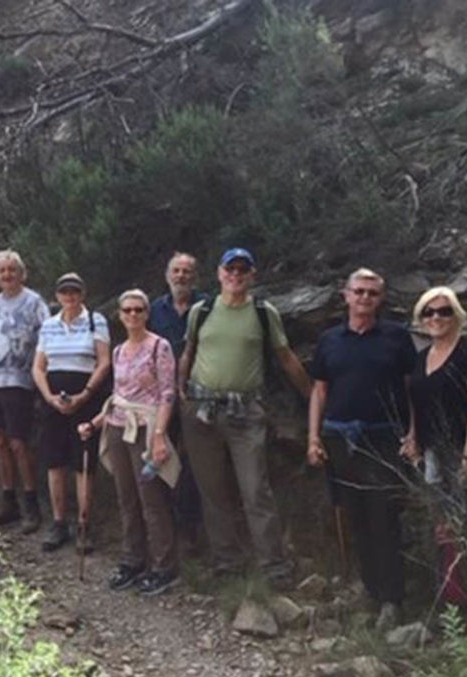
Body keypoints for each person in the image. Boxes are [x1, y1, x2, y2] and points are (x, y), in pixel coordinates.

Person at [178, 247, 311, 585]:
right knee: (213, 489)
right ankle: (227, 562)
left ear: (252, 275)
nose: (236, 275)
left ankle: (273, 565)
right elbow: (189, 351)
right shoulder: (201, 310)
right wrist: (180, 390)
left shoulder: (264, 313)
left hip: (246, 411)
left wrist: (314, 397)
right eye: (230, 269)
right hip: (201, 410)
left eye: (242, 270)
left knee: (255, 489)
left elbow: (285, 357)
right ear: (220, 273)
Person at [307, 268, 417, 631]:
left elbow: (412, 389)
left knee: (384, 516)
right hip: (339, 439)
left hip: (384, 438)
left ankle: (392, 599)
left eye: (372, 292)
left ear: (380, 298)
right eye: (359, 291)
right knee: (354, 515)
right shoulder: (329, 341)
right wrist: (313, 438)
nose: (365, 298)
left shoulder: (397, 339)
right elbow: (319, 391)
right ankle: (368, 588)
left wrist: (414, 434)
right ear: (346, 295)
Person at [80, 289, 181, 595]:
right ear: (121, 315)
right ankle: (132, 559)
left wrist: (160, 436)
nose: (133, 315)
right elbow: (118, 396)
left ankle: (164, 565)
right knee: (127, 497)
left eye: (139, 310)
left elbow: (167, 394)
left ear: (146, 313)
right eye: (128, 311)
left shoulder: (159, 347)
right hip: (117, 426)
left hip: (146, 430)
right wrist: (95, 423)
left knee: (151, 497)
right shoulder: (118, 350)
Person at [406, 286, 467, 608]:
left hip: (465, 452)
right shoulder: (420, 359)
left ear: (457, 314)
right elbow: (415, 403)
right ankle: (451, 604)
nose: (436, 318)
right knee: (443, 530)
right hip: (433, 455)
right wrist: (413, 438)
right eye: (429, 312)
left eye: (444, 311)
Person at [32, 273, 111, 552]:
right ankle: (58, 523)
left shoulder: (95, 321)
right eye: (64, 292)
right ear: (57, 295)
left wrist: (86, 394)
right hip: (54, 399)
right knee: (55, 461)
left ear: (83, 294)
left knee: (83, 463)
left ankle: (84, 526)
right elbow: (38, 366)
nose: (69, 297)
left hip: (85, 398)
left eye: (74, 291)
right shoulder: (49, 325)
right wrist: (49, 397)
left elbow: (103, 362)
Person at [0, 249, 50, 532]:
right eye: (2, 271)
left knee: (19, 443)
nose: (7, 275)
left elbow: (47, 338)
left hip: (19, 382)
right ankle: (8, 500)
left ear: (22, 273)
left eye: (12, 270)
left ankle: (31, 504)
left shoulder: (34, 302)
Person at [147, 252, 208, 548]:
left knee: (196, 461)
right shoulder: (154, 310)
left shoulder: (208, 306)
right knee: (161, 457)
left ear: (195, 276)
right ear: (167, 275)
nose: (181, 276)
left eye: (187, 271)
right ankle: (163, 525)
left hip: (199, 394)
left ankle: (191, 527)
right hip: (161, 396)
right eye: (176, 270)